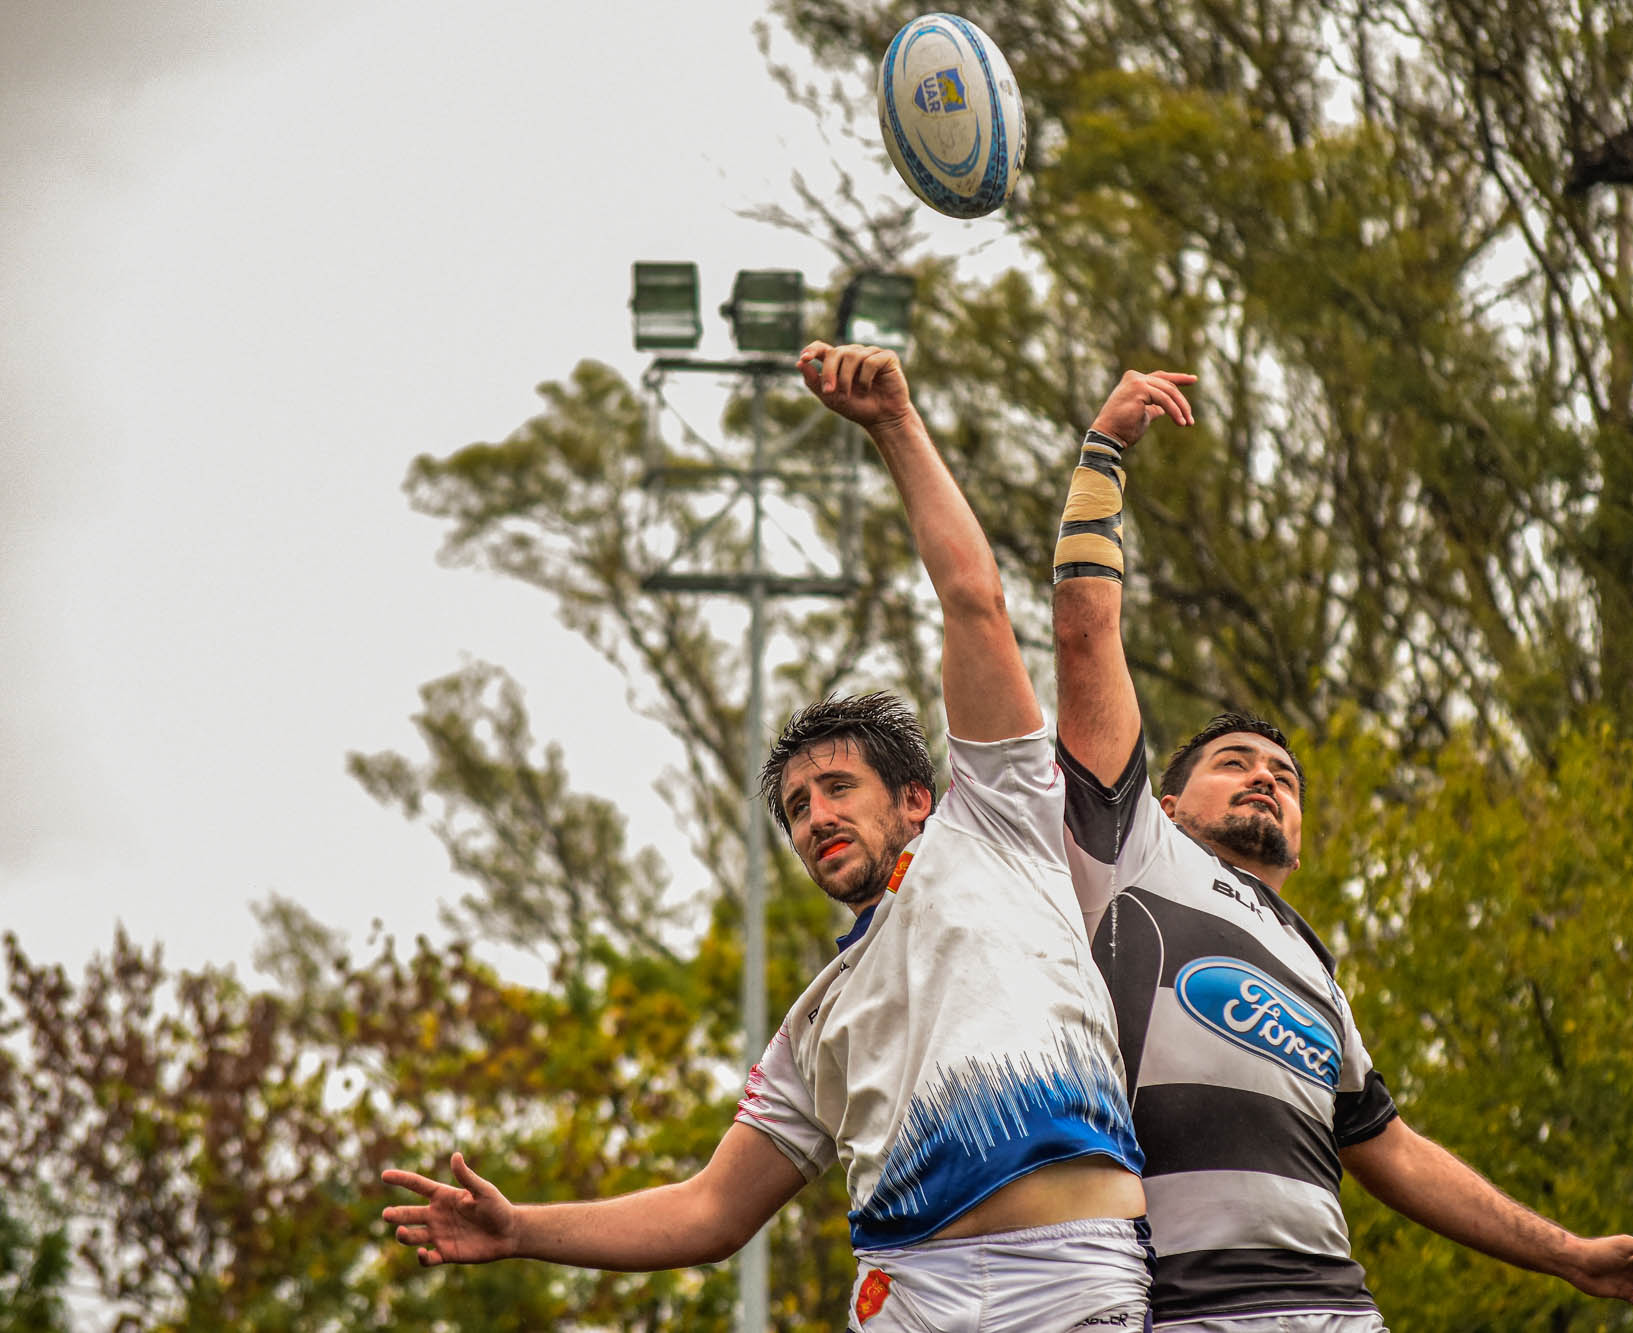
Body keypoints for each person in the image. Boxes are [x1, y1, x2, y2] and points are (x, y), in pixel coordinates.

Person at [381, 342, 1150, 1332]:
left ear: (917, 798)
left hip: (1074, 1277)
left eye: (837, 787)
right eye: (794, 807)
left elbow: (974, 598)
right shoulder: (820, 1018)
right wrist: (523, 1226)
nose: (815, 814)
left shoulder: (997, 823)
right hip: (909, 1297)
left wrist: (894, 428)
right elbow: (708, 1210)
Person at [1047, 367, 1633, 1331]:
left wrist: (1569, 1254)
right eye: (1236, 762)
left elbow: (1390, 1147)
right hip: (1189, 1309)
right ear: (1175, 802)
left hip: (1340, 1309)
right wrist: (1103, 453)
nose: (1269, 777)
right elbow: (1083, 630)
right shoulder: (1133, 851)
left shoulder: (1313, 968)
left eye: (1288, 775)